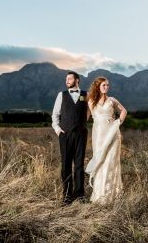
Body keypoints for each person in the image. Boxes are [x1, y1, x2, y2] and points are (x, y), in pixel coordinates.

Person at [85, 76, 127, 204]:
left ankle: (112, 195)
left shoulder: (112, 100)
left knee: (111, 162)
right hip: (99, 135)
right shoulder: (91, 100)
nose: (106, 87)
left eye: (107, 85)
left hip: (112, 133)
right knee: (100, 161)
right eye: (104, 85)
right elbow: (86, 117)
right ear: (98, 86)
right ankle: (100, 195)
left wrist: (118, 122)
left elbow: (124, 110)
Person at [51, 71, 89, 205]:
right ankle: (67, 195)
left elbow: (88, 112)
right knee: (66, 165)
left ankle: (80, 195)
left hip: (81, 134)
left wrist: (83, 124)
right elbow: (55, 115)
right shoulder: (61, 95)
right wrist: (57, 130)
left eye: (69, 78)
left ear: (77, 80)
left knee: (79, 165)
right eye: (66, 79)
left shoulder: (86, 95)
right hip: (65, 134)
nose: (66, 81)